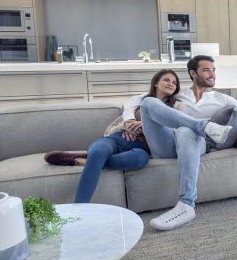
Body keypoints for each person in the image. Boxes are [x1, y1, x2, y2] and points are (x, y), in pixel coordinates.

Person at [128, 54, 237, 231]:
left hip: (195, 143)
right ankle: (204, 126)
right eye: (206, 70)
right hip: (166, 143)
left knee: (187, 131)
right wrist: (128, 119)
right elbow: (137, 100)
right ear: (193, 73)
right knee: (148, 102)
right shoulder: (178, 93)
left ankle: (186, 205)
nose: (212, 74)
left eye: (214, 70)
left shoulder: (221, 98)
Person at [44, 69, 182, 203]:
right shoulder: (139, 99)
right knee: (98, 151)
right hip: (118, 139)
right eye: (166, 80)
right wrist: (129, 123)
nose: (171, 84)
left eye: (174, 83)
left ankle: (89, 160)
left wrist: (146, 125)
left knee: (139, 160)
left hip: (141, 148)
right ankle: (79, 208)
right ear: (156, 83)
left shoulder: (176, 106)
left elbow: (176, 128)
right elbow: (127, 113)